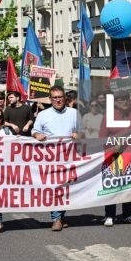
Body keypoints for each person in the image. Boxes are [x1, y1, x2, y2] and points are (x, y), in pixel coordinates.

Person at [32, 86, 77, 231]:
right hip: (50, 158)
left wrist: (80, 134)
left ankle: (61, 216)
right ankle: (56, 218)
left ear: (65, 98)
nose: (58, 100)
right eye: (55, 97)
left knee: (65, 188)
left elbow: (83, 130)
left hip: (69, 157)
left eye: (60, 97)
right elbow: (35, 130)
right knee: (54, 188)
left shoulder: (74, 113)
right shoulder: (43, 115)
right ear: (50, 99)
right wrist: (37, 135)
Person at [99, 92, 131, 227]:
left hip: (130, 155)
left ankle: (127, 214)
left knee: (128, 185)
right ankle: (109, 215)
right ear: (115, 102)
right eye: (121, 99)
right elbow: (102, 137)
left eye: (126, 99)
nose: (124, 102)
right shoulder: (108, 116)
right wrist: (113, 145)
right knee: (113, 185)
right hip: (114, 156)